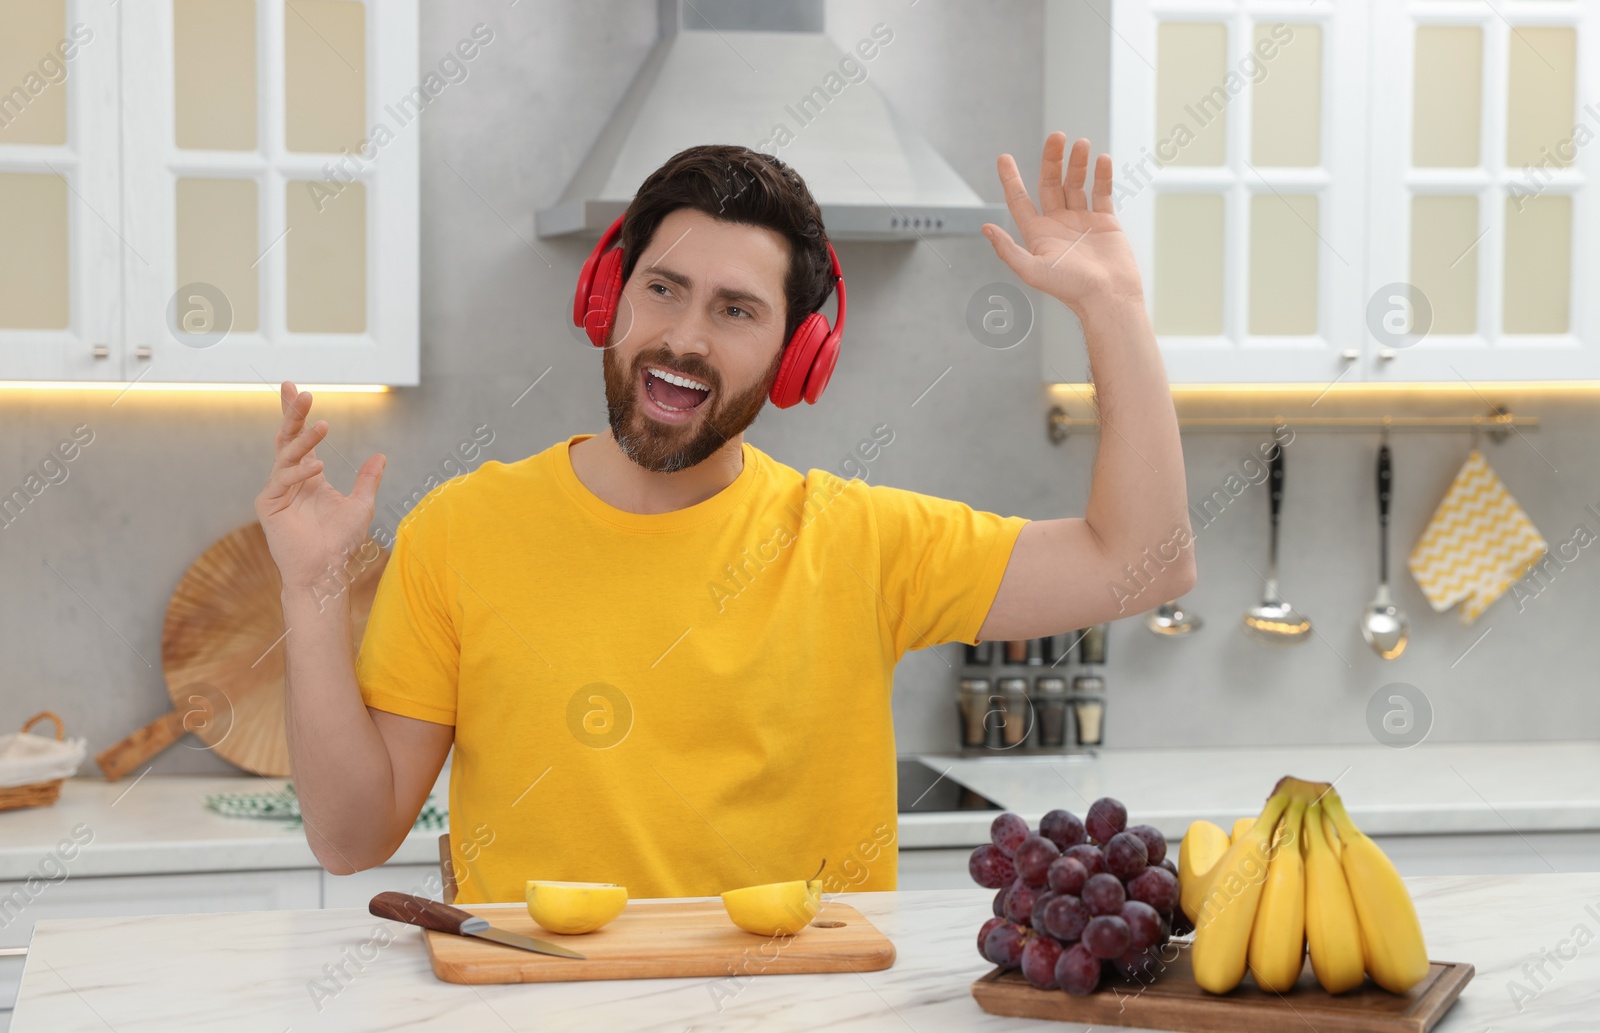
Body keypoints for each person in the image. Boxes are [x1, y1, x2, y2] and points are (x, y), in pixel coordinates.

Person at [254, 134, 1193, 904]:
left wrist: (1113, 306)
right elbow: (350, 838)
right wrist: (308, 590)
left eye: (737, 310)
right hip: (541, 1009)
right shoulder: (462, 528)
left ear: (798, 357)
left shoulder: (861, 542)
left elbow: (1143, 563)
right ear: (605, 298)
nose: (685, 337)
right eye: (663, 288)